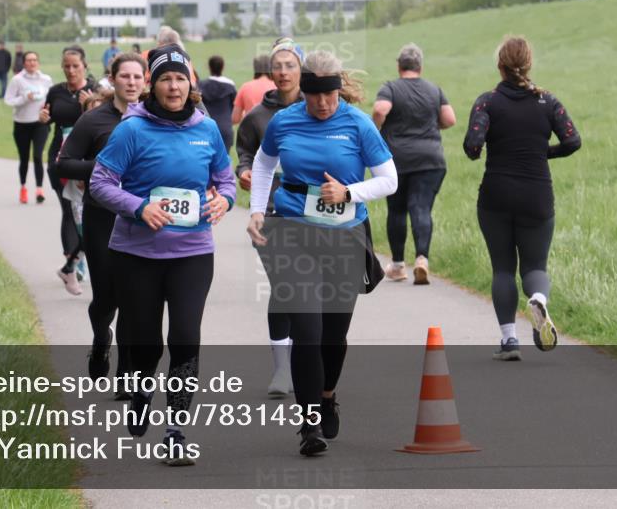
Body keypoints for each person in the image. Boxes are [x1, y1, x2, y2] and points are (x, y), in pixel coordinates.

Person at [89, 43, 235, 465]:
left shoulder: (206, 129)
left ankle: (176, 429)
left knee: (185, 337)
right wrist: (138, 207)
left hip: (192, 251)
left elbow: (225, 181)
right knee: (146, 342)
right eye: (166, 79)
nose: (174, 86)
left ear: (191, 83)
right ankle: (139, 388)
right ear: (152, 84)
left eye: (181, 78)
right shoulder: (132, 130)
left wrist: (224, 200)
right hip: (136, 254)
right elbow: (101, 183)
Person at [246, 50, 396, 457]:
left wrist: (349, 192)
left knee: (334, 336)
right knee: (307, 333)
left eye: (329, 97)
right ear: (304, 92)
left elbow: (389, 180)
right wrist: (258, 209)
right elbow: (263, 165)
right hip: (294, 232)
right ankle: (309, 422)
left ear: (338, 91)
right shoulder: (285, 121)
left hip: (345, 237)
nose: (323, 105)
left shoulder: (358, 124)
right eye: (315, 98)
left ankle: (327, 395)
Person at [463, 36, 581, 361]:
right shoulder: (549, 102)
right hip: (537, 195)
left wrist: (495, 145)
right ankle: (539, 298)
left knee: (502, 269)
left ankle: (509, 340)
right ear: (529, 65)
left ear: (500, 66)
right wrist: (543, 152)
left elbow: (472, 147)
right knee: (534, 266)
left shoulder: (487, 102)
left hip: (496, 195)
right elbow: (573, 141)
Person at [57, 53, 146, 392]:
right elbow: (64, 164)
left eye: (138, 77)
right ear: (113, 79)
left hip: (140, 217)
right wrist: (102, 168)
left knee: (133, 296)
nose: (132, 83)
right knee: (106, 297)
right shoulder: (94, 121)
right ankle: (100, 337)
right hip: (102, 216)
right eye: (125, 76)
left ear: (145, 81)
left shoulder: (155, 120)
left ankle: (126, 373)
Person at [235, 37, 304, 396]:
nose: (283, 71)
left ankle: (310, 361)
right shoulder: (257, 116)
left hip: (314, 214)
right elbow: (244, 154)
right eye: (277, 66)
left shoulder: (320, 109)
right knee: (285, 286)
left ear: (302, 69)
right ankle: (282, 370)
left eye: (290, 65)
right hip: (271, 212)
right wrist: (244, 172)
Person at [372, 43, 456, 285]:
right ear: (420, 66)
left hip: (398, 160)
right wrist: (430, 125)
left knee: (397, 210)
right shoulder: (433, 89)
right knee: (421, 208)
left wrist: (375, 129)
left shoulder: (391, 87)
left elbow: (380, 109)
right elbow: (449, 119)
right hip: (431, 160)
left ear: (399, 66)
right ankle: (422, 259)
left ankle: (398, 265)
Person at [40, 45, 96, 294]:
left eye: (75, 66)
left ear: (85, 66)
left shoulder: (94, 90)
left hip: (86, 160)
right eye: (67, 66)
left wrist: (89, 105)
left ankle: (73, 263)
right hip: (60, 158)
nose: (71, 70)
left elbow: (101, 122)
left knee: (92, 213)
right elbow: (49, 116)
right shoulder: (55, 92)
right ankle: (76, 263)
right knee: (69, 210)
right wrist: (44, 118)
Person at [5, 51, 52, 204]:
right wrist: (25, 98)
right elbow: (9, 100)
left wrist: (48, 110)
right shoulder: (17, 80)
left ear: (38, 62)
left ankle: (39, 190)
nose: (32, 63)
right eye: (29, 60)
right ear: (24, 63)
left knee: (38, 156)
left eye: (34, 60)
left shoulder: (46, 79)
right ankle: (23, 187)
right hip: (22, 123)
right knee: (24, 158)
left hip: (40, 123)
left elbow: (51, 99)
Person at [197, 55, 236, 151]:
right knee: (223, 162)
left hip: (206, 128)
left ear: (209, 67)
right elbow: (234, 107)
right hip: (225, 129)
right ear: (223, 67)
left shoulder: (201, 85)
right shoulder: (230, 85)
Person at [232, 55, 276, 124]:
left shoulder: (245, 87)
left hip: (251, 130)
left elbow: (235, 118)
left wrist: (246, 114)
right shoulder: (277, 86)